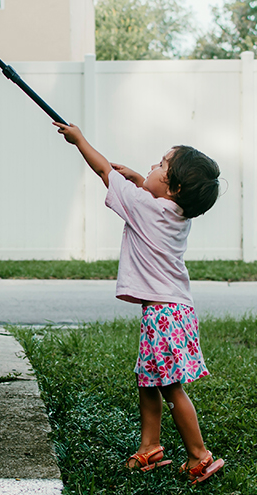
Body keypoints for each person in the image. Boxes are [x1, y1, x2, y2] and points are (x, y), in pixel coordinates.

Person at [54, 121, 225, 485]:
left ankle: (199, 456)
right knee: (148, 380)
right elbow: (149, 196)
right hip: (173, 310)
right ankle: (150, 448)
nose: (152, 165)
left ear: (174, 187)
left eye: (161, 164)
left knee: (169, 385)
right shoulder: (176, 213)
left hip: (163, 312)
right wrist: (137, 178)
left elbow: (102, 169)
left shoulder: (146, 208)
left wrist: (79, 140)